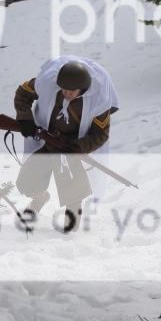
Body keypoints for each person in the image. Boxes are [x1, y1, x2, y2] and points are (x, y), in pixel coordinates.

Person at [13, 56, 119, 232]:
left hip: (71, 146)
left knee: (73, 190)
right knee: (26, 181)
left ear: (83, 88)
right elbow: (23, 93)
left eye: (72, 90)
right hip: (47, 140)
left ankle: (72, 223)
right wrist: (25, 119)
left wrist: (78, 148)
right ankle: (39, 199)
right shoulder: (47, 83)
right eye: (64, 89)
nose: (67, 93)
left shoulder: (99, 102)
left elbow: (100, 134)